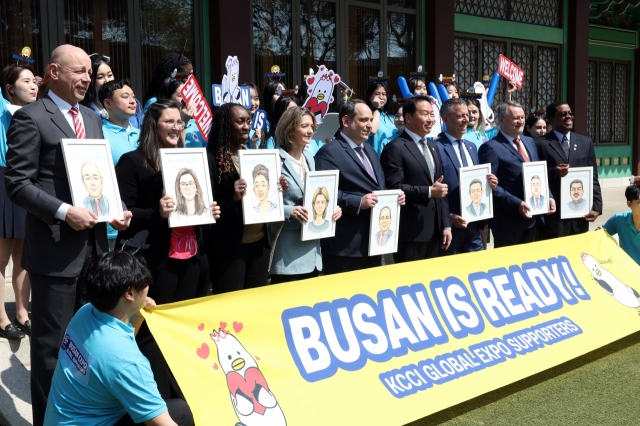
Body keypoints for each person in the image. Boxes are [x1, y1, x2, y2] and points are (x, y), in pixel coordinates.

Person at [4, 44, 132, 426]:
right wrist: (63, 211)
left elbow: (96, 179)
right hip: (56, 253)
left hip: (93, 251)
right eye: (79, 72)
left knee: (87, 347)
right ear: (53, 73)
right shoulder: (31, 118)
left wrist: (115, 210)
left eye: (89, 74)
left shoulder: (92, 119)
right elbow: (17, 184)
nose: (86, 79)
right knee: (52, 351)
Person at [116, 99, 219, 401]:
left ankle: (181, 398)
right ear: (153, 124)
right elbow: (125, 216)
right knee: (151, 334)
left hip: (190, 261)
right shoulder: (132, 162)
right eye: (170, 122)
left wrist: (209, 210)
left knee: (180, 334)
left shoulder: (191, 161)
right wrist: (157, 214)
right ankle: (155, 402)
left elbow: (197, 210)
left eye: (181, 123)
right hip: (155, 264)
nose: (177, 127)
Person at [44, 251, 194, 426]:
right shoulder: (128, 363)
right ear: (129, 293)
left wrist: (137, 315)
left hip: (61, 419)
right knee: (181, 412)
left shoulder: (85, 313)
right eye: (144, 283)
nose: (147, 287)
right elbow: (162, 423)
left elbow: (117, 348)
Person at [315, 100, 404, 274]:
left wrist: (393, 197)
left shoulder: (370, 150)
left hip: (374, 243)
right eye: (363, 120)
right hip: (345, 247)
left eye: (371, 120)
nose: (369, 125)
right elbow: (323, 194)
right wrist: (357, 201)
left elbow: (378, 187)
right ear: (346, 121)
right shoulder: (329, 152)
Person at [206, 103, 286, 292]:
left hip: (259, 244)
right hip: (230, 247)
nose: (246, 126)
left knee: (255, 302)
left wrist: (277, 188)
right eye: (240, 121)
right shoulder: (211, 159)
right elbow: (208, 209)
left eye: (248, 121)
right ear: (226, 125)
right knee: (230, 306)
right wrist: (233, 198)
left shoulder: (254, 156)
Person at [268, 107, 342, 284]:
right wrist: (289, 211)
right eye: (304, 126)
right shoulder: (274, 160)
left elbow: (316, 195)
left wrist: (333, 207)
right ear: (290, 129)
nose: (310, 131)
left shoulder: (311, 158)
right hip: (287, 253)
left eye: (312, 126)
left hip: (312, 251)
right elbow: (262, 204)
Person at [381, 95, 450, 261]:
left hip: (435, 231)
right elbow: (394, 188)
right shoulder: (395, 148)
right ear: (408, 117)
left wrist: (446, 224)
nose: (430, 119)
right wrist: (428, 191)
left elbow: (441, 188)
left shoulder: (433, 148)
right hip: (410, 232)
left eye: (432, 115)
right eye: (425, 114)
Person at [478, 101, 555, 248]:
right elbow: (490, 186)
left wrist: (549, 196)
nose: (520, 121)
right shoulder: (490, 148)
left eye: (522, 117)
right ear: (501, 120)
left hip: (534, 217)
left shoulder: (530, 142)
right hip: (509, 222)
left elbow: (538, 174)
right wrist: (517, 204)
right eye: (516, 118)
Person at [0, 64, 37, 339]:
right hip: (4, 179)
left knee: (24, 256)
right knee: (1, 257)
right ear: (10, 88)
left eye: (34, 80)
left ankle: (22, 312)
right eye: (26, 81)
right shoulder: (2, 109)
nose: (33, 85)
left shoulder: (39, 111)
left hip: (30, 183)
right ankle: (1, 317)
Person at [434, 98, 496, 255]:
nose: (466, 120)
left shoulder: (471, 147)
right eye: (460, 116)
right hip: (450, 227)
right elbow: (436, 187)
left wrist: (489, 182)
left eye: (467, 115)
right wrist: (448, 217)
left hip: (474, 224)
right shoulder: (436, 148)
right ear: (446, 119)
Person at [535, 101, 602, 239]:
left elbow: (593, 177)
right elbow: (534, 176)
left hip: (579, 215)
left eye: (570, 113)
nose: (568, 116)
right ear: (551, 120)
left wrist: (597, 206)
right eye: (563, 114)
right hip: (553, 216)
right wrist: (554, 172)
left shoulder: (585, 142)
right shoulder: (539, 143)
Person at [81, 54, 143, 129]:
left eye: (110, 75)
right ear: (90, 80)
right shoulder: (83, 110)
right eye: (100, 77)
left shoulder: (132, 104)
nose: (107, 80)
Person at [99, 79, 140, 165]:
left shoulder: (142, 134)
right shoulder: (100, 134)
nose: (132, 101)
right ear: (108, 103)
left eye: (133, 96)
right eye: (125, 97)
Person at [157, 78, 205, 148]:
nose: (185, 100)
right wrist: (183, 122)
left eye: (187, 95)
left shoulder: (197, 125)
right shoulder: (164, 125)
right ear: (169, 99)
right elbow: (176, 154)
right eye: (181, 96)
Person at [602, 184, 640, 265]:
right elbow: (599, 236)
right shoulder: (618, 220)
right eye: (639, 202)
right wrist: (598, 233)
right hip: (627, 272)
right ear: (629, 204)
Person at [365, 82, 396, 157]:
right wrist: (377, 108)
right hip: (377, 160)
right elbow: (372, 130)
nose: (381, 97)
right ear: (369, 96)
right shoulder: (366, 115)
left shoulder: (392, 118)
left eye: (384, 94)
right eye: (377, 94)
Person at [244, 82, 266, 149]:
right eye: (248, 98)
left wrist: (254, 143)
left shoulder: (264, 123)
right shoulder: (233, 124)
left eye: (256, 99)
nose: (252, 103)